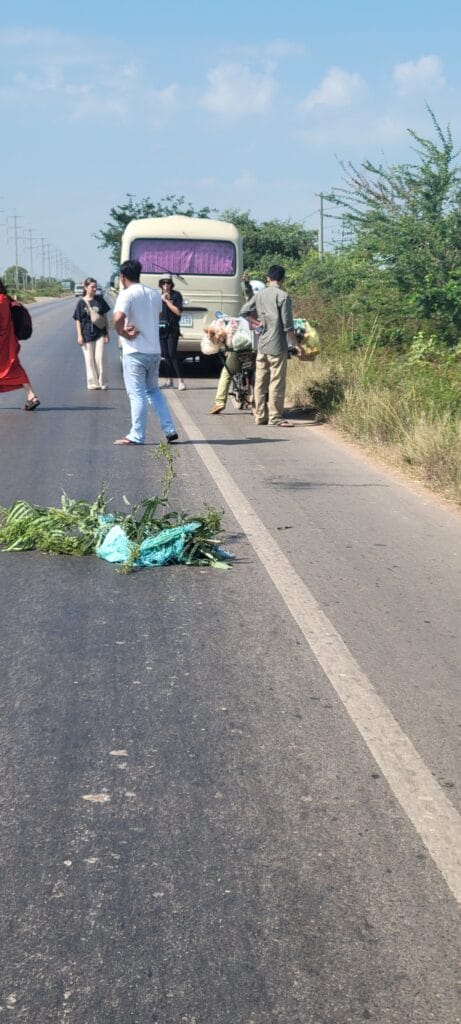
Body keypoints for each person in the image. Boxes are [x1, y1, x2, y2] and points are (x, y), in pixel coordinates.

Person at [112, 259, 178, 446]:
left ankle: (137, 435)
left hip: (135, 352)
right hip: (154, 351)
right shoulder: (153, 294)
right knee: (154, 391)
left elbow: (117, 317)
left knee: (137, 394)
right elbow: (156, 316)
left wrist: (123, 332)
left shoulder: (126, 294)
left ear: (123, 277)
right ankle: (169, 429)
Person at [240, 264, 300, 427]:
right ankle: (275, 418)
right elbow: (288, 326)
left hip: (263, 345)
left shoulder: (260, 295)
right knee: (276, 382)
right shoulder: (283, 296)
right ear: (282, 279)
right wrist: (296, 344)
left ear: (268, 278)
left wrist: (257, 323)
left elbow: (244, 312)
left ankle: (260, 416)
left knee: (260, 382)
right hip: (277, 346)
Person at [0, 279, 40, 410]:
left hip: (3, 343)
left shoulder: (1, 300)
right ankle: (31, 396)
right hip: (8, 342)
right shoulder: (5, 299)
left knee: (10, 368)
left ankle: (31, 395)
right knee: (13, 368)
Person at [73, 277, 111, 389]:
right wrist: (79, 336)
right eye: (92, 287)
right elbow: (78, 320)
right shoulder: (81, 303)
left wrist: (106, 333)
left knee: (100, 359)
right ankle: (93, 383)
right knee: (89, 360)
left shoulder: (100, 300)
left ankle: (102, 382)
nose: (94, 289)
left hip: (99, 333)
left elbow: (104, 317)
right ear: (86, 287)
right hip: (86, 334)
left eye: (95, 287)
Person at [158, 276, 186, 390]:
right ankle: (169, 380)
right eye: (163, 283)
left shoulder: (176, 295)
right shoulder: (157, 296)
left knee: (172, 354)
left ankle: (181, 381)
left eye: (168, 283)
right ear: (160, 284)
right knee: (165, 355)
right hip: (161, 328)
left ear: (171, 284)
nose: (166, 285)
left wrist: (167, 301)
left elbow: (178, 312)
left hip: (173, 329)